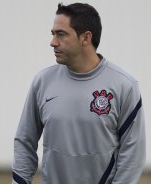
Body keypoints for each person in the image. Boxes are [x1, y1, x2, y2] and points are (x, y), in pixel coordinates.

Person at [12, 3, 145, 184]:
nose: (53, 42)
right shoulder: (42, 81)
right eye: (53, 34)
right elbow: (24, 141)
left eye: (61, 34)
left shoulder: (124, 86)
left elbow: (132, 156)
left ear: (85, 38)